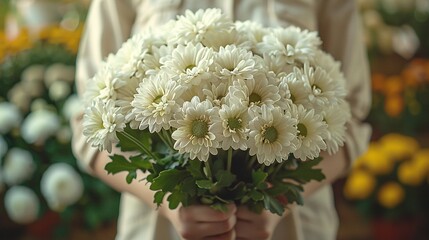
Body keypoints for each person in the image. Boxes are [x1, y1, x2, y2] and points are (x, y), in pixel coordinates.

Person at [71, 0, 372, 239]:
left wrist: (279, 199)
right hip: (159, 228)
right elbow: (89, 117)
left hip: (292, 227)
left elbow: (353, 116)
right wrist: (166, 201)